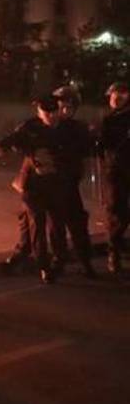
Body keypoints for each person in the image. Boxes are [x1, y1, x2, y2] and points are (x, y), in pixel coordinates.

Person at [0, 95, 68, 284]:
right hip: (33, 185)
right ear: (39, 111)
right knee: (37, 225)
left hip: (56, 183)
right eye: (45, 111)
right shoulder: (30, 127)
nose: (49, 115)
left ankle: (57, 261)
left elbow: (79, 149)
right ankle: (43, 265)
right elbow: (9, 141)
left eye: (52, 111)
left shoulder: (66, 129)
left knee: (57, 224)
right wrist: (0, 149)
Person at [51, 85, 97, 278]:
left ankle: (85, 261)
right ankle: (57, 260)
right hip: (51, 184)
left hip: (69, 183)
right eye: (61, 107)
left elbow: (87, 154)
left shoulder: (79, 128)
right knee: (55, 225)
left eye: (69, 107)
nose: (65, 111)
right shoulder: (48, 126)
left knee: (77, 223)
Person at [98, 81, 130, 275]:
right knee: (116, 212)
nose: (115, 98)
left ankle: (116, 248)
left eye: (121, 94)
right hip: (115, 171)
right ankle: (114, 252)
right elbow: (102, 146)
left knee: (120, 213)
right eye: (113, 95)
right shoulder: (109, 119)